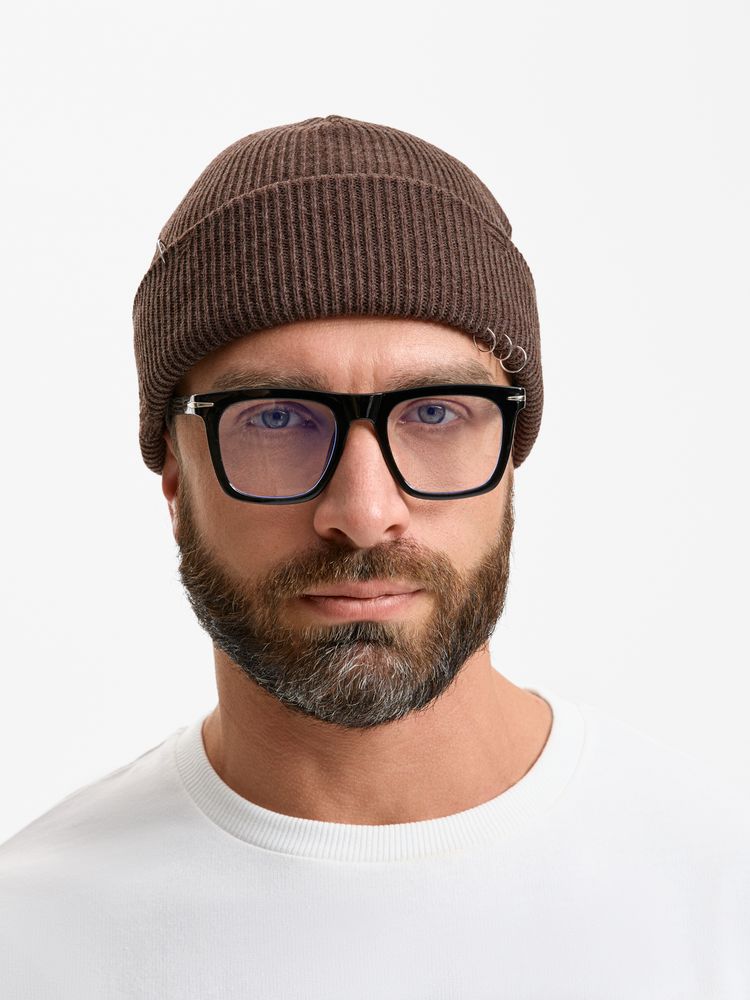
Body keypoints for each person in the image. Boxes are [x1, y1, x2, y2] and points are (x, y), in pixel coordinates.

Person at [1, 114, 748, 998]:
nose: (362, 514)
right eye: (276, 418)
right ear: (175, 476)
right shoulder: (31, 935)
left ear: (511, 456)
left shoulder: (718, 895)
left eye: (434, 413)